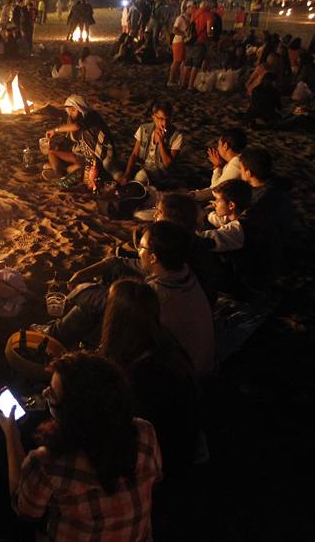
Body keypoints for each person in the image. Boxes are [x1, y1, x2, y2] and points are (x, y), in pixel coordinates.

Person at [0, 352, 161, 542]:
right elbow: (154, 480)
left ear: (72, 413)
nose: (44, 393)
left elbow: (24, 509)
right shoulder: (144, 431)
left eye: (52, 392)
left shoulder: (47, 462)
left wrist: (11, 434)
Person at [57, 221, 214, 376]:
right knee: (117, 272)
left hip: (175, 373)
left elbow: (104, 301)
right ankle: (63, 333)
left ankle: (57, 335)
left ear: (153, 257)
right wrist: (82, 274)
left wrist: (76, 288)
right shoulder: (179, 270)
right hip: (191, 359)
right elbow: (117, 263)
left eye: (141, 247)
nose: (138, 251)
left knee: (96, 305)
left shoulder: (158, 295)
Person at [98, 280, 200, 480]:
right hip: (184, 449)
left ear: (116, 320)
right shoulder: (164, 341)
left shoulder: (142, 378)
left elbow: (124, 435)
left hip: (162, 466)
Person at [43, 94, 120, 185]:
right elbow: (69, 140)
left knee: (80, 171)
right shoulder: (74, 120)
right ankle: (59, 175)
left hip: (99, 158)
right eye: (69, 110)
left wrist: (55, 130)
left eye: (73, 110)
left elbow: (76, 126)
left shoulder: (91, 116)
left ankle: (61, 171)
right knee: (52, 153)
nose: (70, 113)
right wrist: (56, 147)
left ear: (79, 108)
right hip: (83, 155)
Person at [119, 101, 183, 187]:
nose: (164, 123)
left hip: (162, 174)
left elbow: (168, 165)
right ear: (154, 117)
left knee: (141, 176)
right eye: (161, 119)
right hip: (144, 167)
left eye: (167, 119)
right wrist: (127, 174)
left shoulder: (176, 136)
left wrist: (161, 142)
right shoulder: (144, 129)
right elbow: (134, 154)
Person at [190, 127, 247, 202]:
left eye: (219, 145)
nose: (218, 148)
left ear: (225, 146)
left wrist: (217, 167)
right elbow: (214, 188)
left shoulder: (237, 162)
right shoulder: (232, 163)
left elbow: (217, 190)